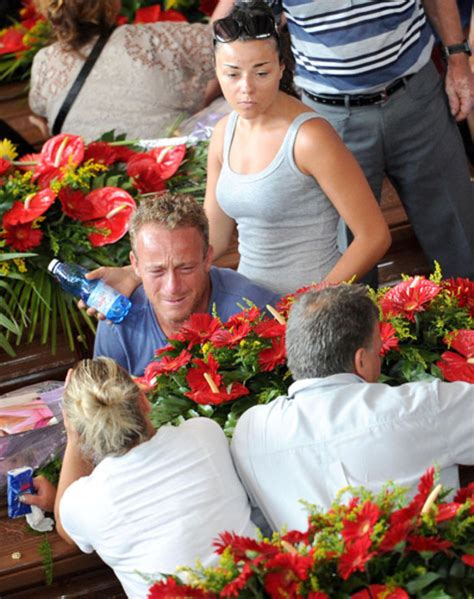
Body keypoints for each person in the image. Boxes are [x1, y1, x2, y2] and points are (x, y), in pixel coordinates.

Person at [212, 0, 474, 285]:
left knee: (459, 235)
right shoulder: (306, 137)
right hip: (331, 114)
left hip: (416, 94)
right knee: (350, 255)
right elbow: (249, 28)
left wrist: (459, 60)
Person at [231, 284, 474, 532]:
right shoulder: (421, 407)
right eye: (378, 352)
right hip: (435, 565)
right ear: (361, 360)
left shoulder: (251, 431)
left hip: (308, 569)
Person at [22, 357, 257, 598]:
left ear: (80, 428)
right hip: (263, 586)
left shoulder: (85, 502)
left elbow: (64, 524)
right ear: (143, 400)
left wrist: (74, 436)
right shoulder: (203, 433)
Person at [204, 0, 391, 295]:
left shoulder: (310, 137)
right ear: (217, 70)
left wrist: (311, 302)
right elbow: (212, 238)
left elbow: (374, 236)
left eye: (261, 73)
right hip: (249, 306)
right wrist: (141, 272)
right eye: (232, 74)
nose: (246, 87)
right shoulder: (223, 132)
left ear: (281, 68)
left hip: (314, 306)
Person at [93, 192, 280, 376]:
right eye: (157, 271)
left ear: (207, 258)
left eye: (185, 268)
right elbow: (101, 402)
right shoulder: (117, 320)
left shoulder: (252, 309)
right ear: (135, 265)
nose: (172, 287)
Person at [29, 0, 216, 140]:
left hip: (91, 185)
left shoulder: (44, 62)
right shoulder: (157, 39)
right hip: (174, 177)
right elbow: (232, 44)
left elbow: (42, 113)